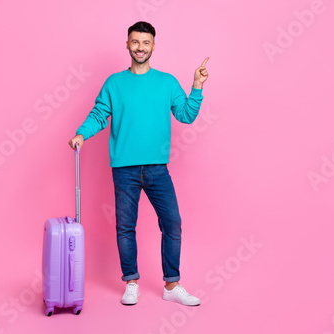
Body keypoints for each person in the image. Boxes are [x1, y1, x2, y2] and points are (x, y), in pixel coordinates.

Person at [68, 21, 209, 306]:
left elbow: (185, 115)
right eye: (135, 42)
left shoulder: (167, 82)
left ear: (153, 46)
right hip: (124, 168)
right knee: (125, 227)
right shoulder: (114, 83)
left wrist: (196, 86)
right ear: (128, 45)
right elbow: (99, 114)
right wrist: (81, 134)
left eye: (146, 42)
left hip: (157, 168)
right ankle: (131, 281)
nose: (140, 47)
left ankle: (172, 285)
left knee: (172, 224)